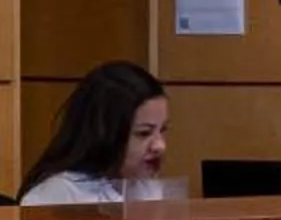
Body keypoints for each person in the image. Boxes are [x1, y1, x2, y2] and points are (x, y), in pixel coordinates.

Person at [20, 61, 171, 206]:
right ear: (105, 133)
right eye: (144, 133)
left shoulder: (148, 188)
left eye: (162, 130)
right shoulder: (57, 196)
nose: (160, 146)